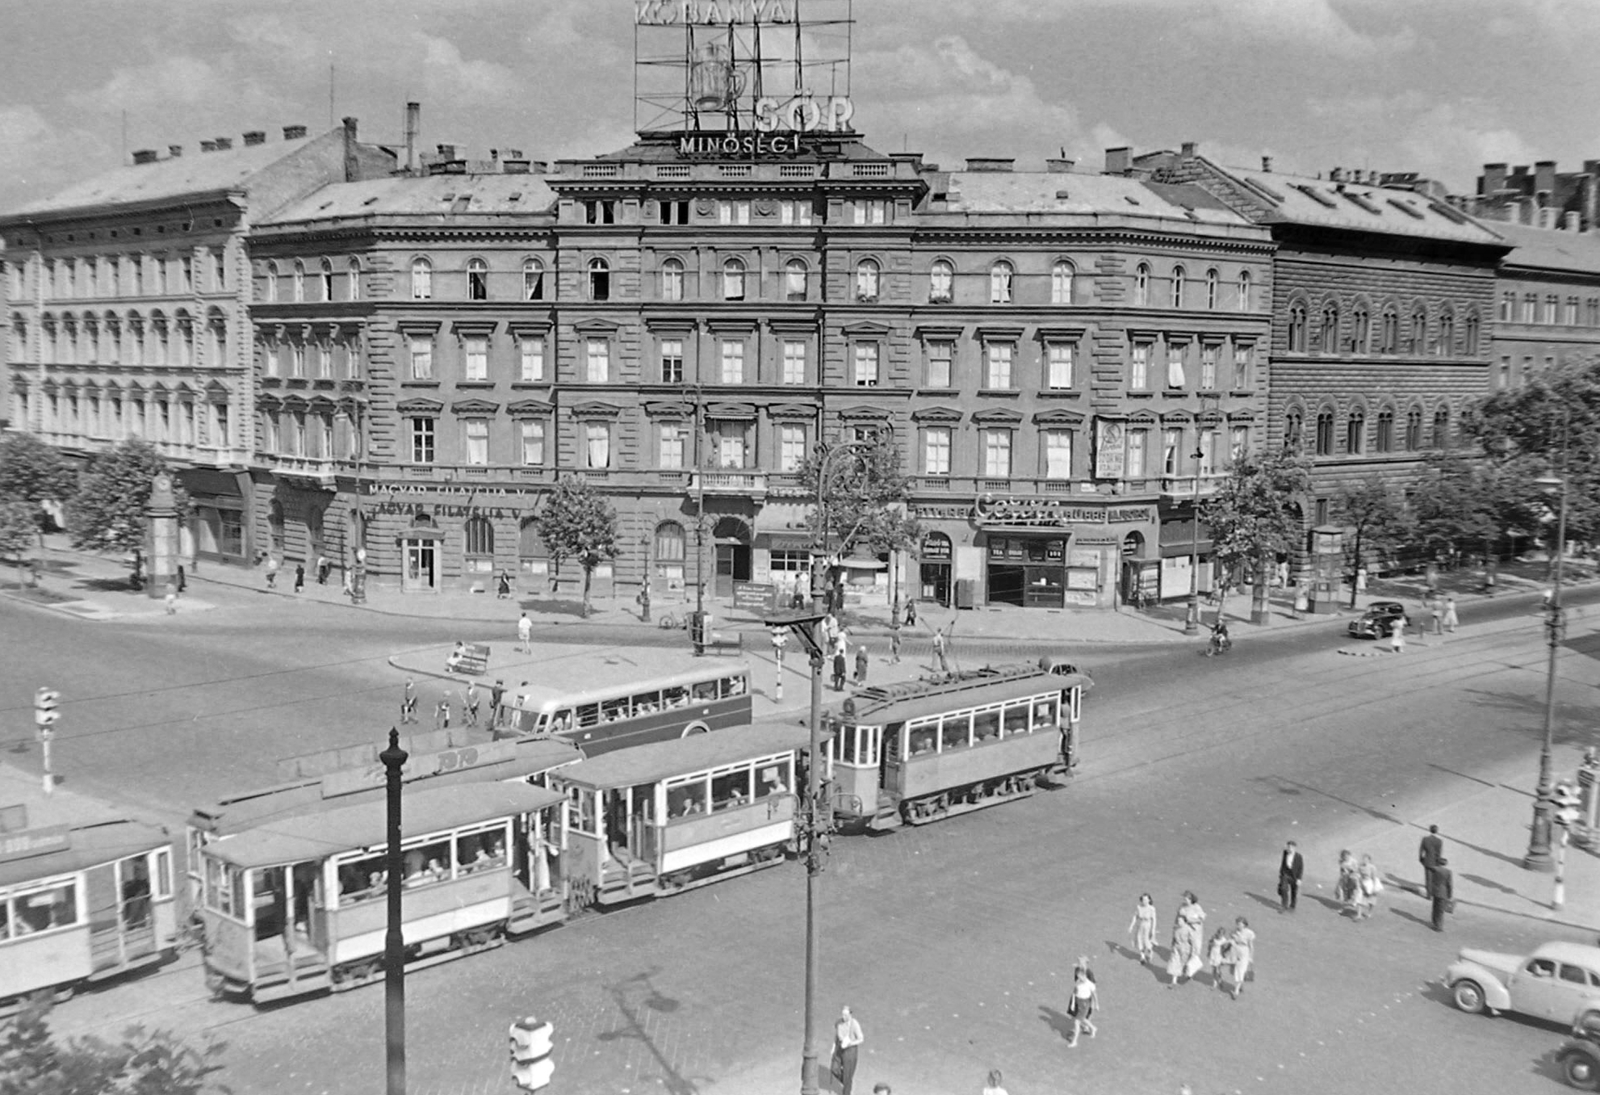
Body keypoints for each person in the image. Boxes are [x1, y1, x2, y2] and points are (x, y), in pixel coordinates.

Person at [1166, 891, 1205, 987]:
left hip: (1192, 933)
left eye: (1187, 899)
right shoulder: (1182, 906)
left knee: (1189, 957)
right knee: (1175, 959)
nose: (1185, 900)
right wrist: (1176, 925)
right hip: (1181, 932)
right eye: (1184, 898)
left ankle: (1189, 972)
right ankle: (1174, 981)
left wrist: (1189, 919)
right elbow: (1177, 916)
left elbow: (1201, 918)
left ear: (1191, 899)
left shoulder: (1197, 907)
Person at [1066, 957, 1099, 1045]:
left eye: (1081, 962)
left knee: (1079, 1018)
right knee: (1078, 1016)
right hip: (1077, 998)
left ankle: (1075, 1038)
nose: (1079, 963)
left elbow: (1093, 990)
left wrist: (1095, 1004)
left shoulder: (1089, 973)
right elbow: (1076, 983)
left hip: (1085, 999)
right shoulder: (1077, 970)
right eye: (1079, 962)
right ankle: (1091, 1028)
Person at [832, 1005, 864, 1095]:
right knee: (834, 1069)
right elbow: (836, 1035)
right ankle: (847, 1082)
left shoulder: (854, 1024)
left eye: (846, 1015)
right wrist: (833, 1046)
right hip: (840, 1048)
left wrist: (850, 1043)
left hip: (850, 1051)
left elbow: (861, 1039)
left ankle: (846, 1090)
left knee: (847, 1074)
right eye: (842, 1015)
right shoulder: (838, 1022)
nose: (843, 1017)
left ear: (850, 1015)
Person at [1228, 917, 1255, 1000]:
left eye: (1239, 924)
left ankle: (1236, 991)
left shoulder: (1249, 933)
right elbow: (1231, 940)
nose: (1238, 925)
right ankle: (1241, 985)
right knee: (1234, 969)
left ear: (1244, 924)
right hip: (1235, 950)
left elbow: (1251, 946)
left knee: (1240, 970)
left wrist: (1251, 957)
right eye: (1237, 923)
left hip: (1244, 951)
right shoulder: (1234, 931)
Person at [1128, 892, 1157, 964]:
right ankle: (1142, 956)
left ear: (1149, 900)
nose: (1145, 901)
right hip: (1140, 926)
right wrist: (1131, 926)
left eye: (1146, 900)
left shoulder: (1151, 909)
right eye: (1143, 900)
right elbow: (1135, 916)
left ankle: (1150, 952)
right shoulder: (1139, 907)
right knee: (1139, 941)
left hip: (1147, 926)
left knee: (1147, 942)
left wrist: (1153, 930)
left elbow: (1154, 919)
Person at [1427, 856, 1454, 932]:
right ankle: (1439, 926)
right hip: (1443, 892)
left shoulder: (1435, 869)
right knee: (1440, 910)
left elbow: (1430, 879)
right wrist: (1450, 894)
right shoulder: (1448, 872)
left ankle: (1435, 923)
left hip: (1435, 890)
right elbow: (1449, 884)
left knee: (1435, 907)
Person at [1278, 840, 1304, 912]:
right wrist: (1281, 873)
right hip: (1286, 874)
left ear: (1294, 848)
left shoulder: (1299, 857)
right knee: (1283, 889)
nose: (1289, 848)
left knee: (1294, 892)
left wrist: (1299, 879)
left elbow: (1301, 868)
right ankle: (1284, 905)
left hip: (1294, 876)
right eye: (1288, 846)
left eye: (1290, 847)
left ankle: (1292, 905)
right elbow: (1283, 863)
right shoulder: (1285, 853)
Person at [1355, 853, 1382, 921]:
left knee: (1371, 901)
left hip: (1370, 884)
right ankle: (1359, 915)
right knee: (1360, 899)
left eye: (1366, 859)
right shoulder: (1360, 867)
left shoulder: (1372, 867)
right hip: (1363, 884)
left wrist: (1373, 887)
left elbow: (1374, 877)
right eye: (1364, 859)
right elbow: (1359, 876)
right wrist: (1359, 884)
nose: (1365, 861)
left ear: (1369, 860)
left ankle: (1369, 913)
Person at [1337, 849, 1358, 914]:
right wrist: (1343, 873)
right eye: (1344, 857)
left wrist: (1350, 870)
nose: (1346, 858)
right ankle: (1342, 908)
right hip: (1344, 879)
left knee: (1353, 892)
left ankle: (1354, 901)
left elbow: (1356, 870)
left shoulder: (1353, 861)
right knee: (1342, 894)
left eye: (1347, 856)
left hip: (1352, 879)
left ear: (1349, 855)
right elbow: (1341, 870)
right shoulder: (1341, 862)